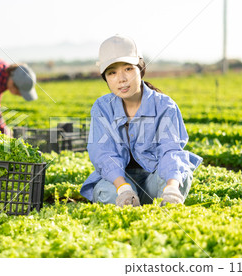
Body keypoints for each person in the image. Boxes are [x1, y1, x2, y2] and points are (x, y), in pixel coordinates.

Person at [80, 35, 202, 207]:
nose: (121, 79)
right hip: (118, 185)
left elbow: (170, 150)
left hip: (153, 185)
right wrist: (123, 188)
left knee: (181, 176)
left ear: (141, 68)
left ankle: (166, 208)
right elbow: (103, 153)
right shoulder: (102, 107)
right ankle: (129, 206)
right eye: (112, 72)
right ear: (105, 78)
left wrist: (171, 187)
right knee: (106, 192)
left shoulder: (164, 105)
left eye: (128, 69)